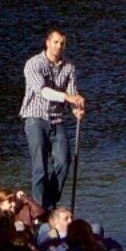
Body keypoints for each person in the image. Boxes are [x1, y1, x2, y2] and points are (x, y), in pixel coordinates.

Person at [18, 29, 83, 210]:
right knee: (40, 167)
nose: (59, 46)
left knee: (64, 161)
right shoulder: (33, 64)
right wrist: (68, 98)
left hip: (56, 119)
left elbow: (72, 94)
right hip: (35, 118)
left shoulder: (69, 67)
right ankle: (39, 210)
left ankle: (50, 204)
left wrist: (76, 109)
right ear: (47, 43)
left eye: (62, 43)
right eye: (55, 42)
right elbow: (43, 91)